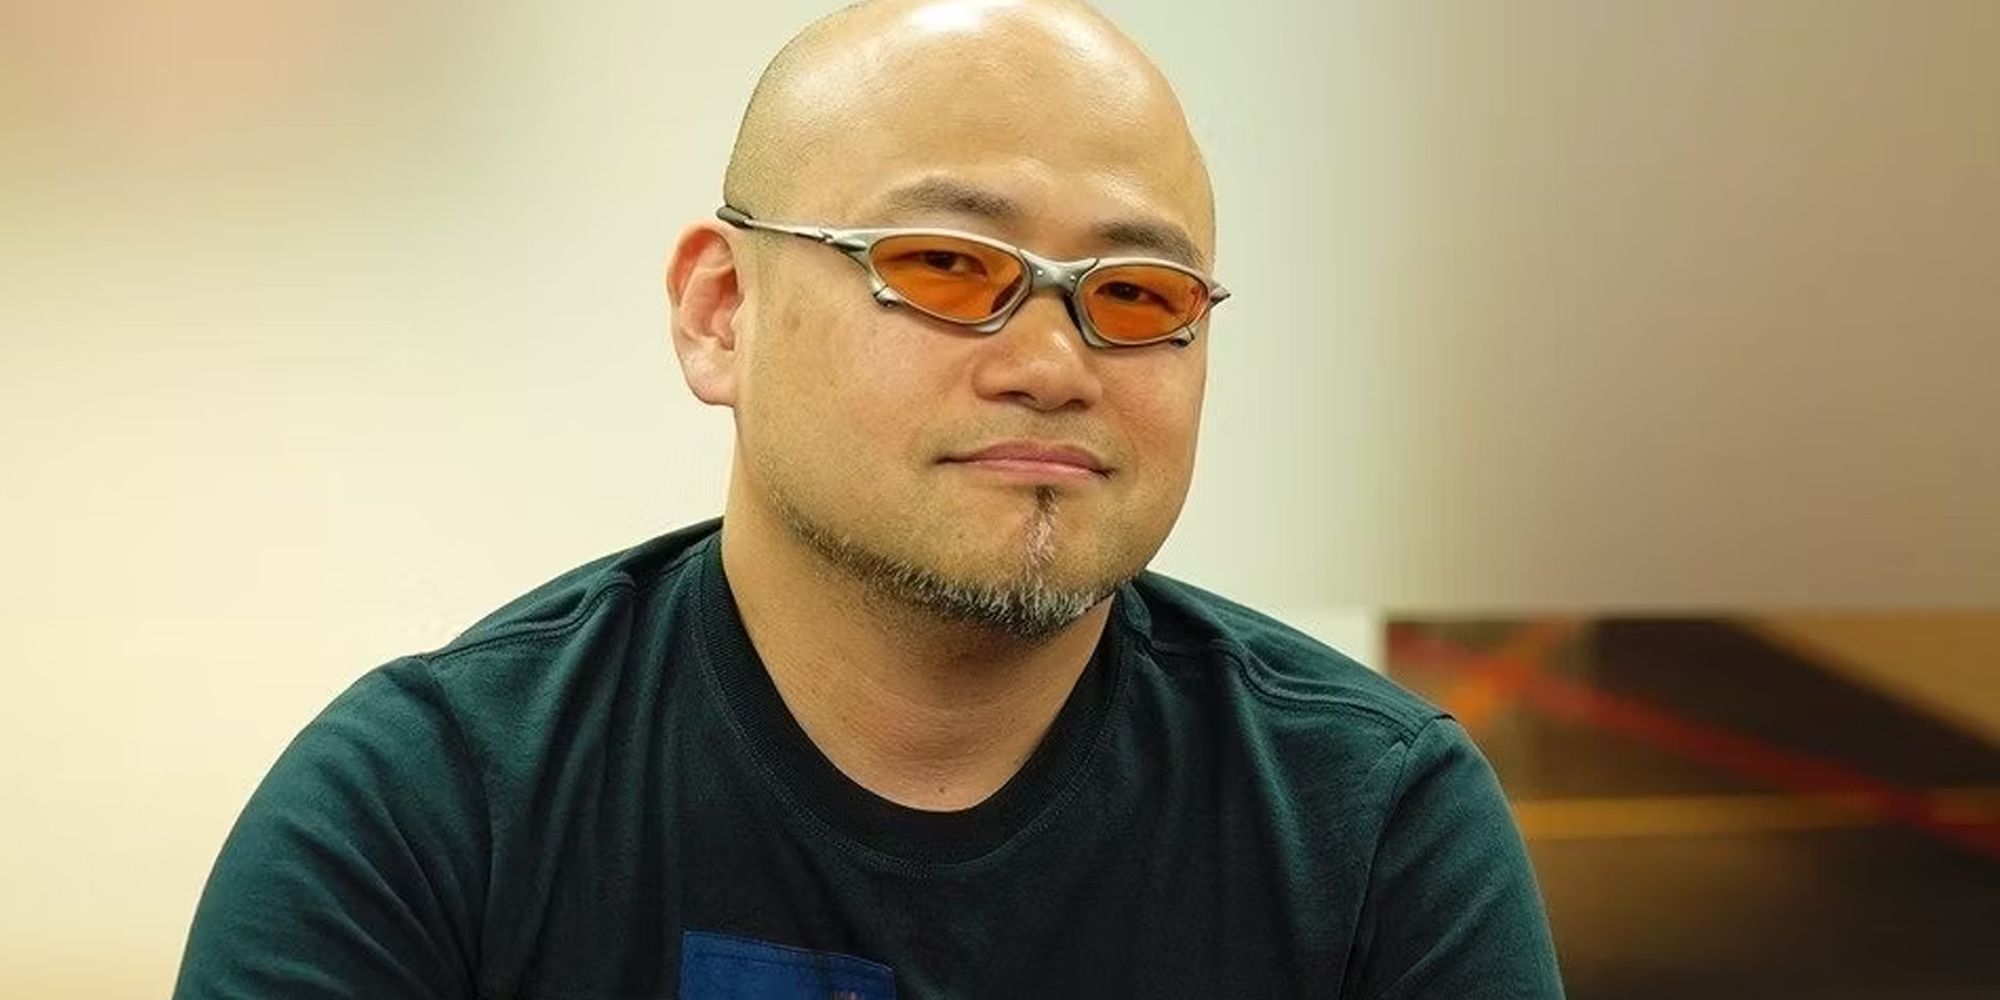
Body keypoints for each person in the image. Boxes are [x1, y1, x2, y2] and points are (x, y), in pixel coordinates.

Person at [174, 0, 1563, 996]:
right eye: (949, 267)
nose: (1053, 363)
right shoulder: (427, 814)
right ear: (723, 312)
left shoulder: (1372, 829)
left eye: (1138, 296)